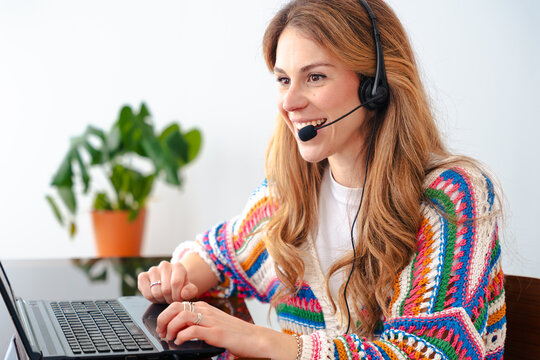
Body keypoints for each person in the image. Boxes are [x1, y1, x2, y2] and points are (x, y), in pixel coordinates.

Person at [137, 0, 506, 359]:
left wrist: (263, 342)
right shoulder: (288, 197)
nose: (289, 102)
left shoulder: (451, 196)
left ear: (374, 86)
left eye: (314, 77)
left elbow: (427, 350)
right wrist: (178, 278)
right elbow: (220, 255)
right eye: (283, 79)